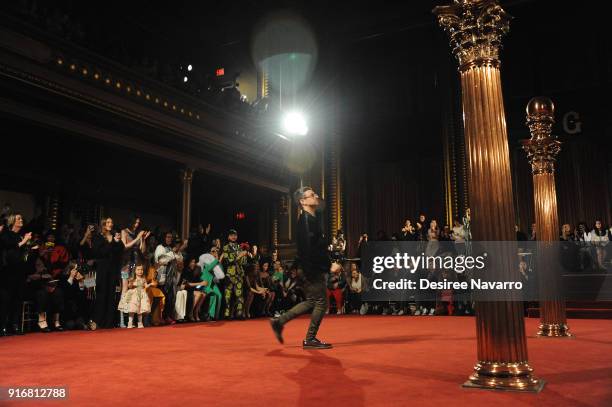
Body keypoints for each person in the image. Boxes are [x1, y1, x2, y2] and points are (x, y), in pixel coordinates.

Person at [270, 186, 338, 349]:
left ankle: (279, 321)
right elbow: (309, 250)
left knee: (311, 301)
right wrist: (329, 266)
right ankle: (310, 339)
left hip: (308, 267)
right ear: (302, 201)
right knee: (321, 302)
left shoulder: (312, 218)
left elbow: (315, 247)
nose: (315, 196)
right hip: (310, 268)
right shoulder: (306, 220)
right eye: (311, 195)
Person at [0, 213, 31, 335]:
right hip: (7, 272)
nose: (21, 220)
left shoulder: (20, 236)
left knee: (17, 299)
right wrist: (24, 241)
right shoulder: (6, 235)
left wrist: (28, 247)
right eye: (19, 219)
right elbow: (9, 249)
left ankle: (15, 324)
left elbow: (22, 254)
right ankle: (2, 326)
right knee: (5, 300)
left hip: (19, 272)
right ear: (13, 222)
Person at [91, 217, 124, 329]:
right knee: (102, 294)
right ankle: (98, 321)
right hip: (102, 268)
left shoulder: (114, 235)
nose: (111, 224)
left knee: (111, 295)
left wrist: (118, 242)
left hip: (113, 269)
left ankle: (109, 322)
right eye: (108, 222)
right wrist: (112, 243)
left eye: (111, 222)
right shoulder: (98, 237)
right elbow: (100, 252)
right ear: (104, 224)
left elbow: (121, 251)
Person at [222, 229, 248, 319]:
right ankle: (227, 314)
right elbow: (228, 261)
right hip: (230, 274)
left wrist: (243, 257)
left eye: (235, 235)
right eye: (232, 235)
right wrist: (240, 256)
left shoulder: (239, 247)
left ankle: (239, 313)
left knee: (239, 294)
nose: (234, 237)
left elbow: (244, 262)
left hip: (239, 274)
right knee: (227, 295)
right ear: (228, 237)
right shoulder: (225, 248)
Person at [197, 246, 224, 321]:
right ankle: (208, 314)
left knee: (219, 295)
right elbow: (209, 268)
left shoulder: (216, 260)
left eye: (216, 251)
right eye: (213, 251)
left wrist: (219, 261)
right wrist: (216, 260)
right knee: (213, 295)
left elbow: (221, 271)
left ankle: (215, 316)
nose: (215, 253)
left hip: (212, 283)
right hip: (204, 282)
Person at [124, 263, 151, 328]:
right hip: (134, 295)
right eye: (138, 269)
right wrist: (130, 283)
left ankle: (140, 322)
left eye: (141, 269)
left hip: (141, 294)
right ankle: (130, 323)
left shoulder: (143, 279)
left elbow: (146, 286)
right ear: (135, 271)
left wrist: (150, 284)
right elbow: (130, 287)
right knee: (132, 309)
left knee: (140, 310)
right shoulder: (133, 278)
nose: (140, 271)